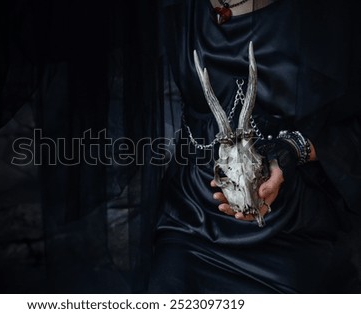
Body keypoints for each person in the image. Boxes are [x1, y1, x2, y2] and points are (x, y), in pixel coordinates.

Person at [148, 0, 361, 293]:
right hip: (190, 222)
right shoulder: (180, 8)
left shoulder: (331, 15)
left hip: (289, 230)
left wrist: (293, 148)